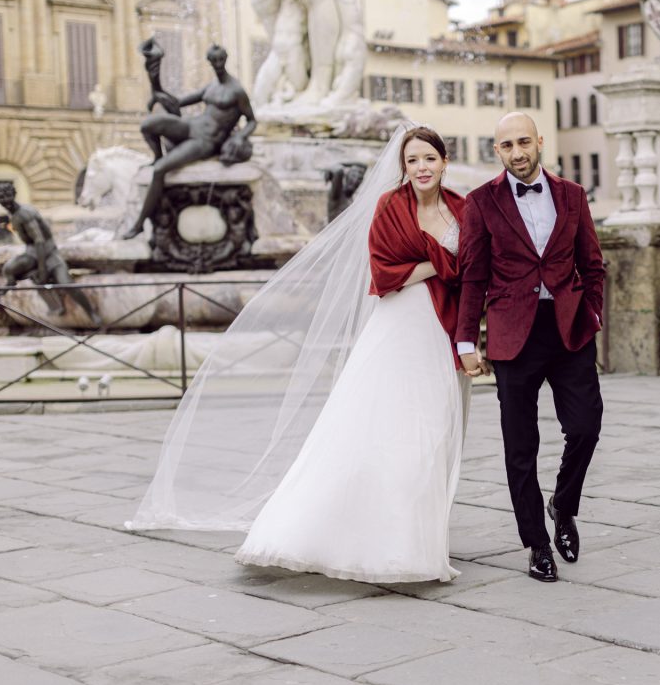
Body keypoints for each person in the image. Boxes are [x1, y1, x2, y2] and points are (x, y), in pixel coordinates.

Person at [129, 125, 475, 584]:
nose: (422, 168)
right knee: (384, 427)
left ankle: (416, 531)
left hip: (443, 329)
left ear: (444, 161)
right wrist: (442, 265)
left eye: (429, 158)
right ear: (403, 166)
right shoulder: (390, 206)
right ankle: (350, 534)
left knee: (434, 431)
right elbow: (386, 272)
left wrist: (462, 316)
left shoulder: (462, 208)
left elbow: (476, 270)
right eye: (412, 160)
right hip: (400, 326)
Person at [456, 112, 605, 583]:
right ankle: (537, 543)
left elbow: (593, 264)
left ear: (540, 142)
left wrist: (594, 314)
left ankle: (563, 503)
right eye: (506, 146)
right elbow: (473, 276)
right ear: (495, 151)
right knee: (520, 444)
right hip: (511, 333)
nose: (517, 153)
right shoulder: (480, 203)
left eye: (524, 142)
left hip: (568, 328)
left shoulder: (572, 195)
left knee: (585, 426)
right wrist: (466, 340)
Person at [122, 44, 256, 240]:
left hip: (207, 140)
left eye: (221, 60)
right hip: (192, 126)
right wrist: (155, 81)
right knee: (148, 125)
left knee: (160, 170)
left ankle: (140, 223)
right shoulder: (211, 86)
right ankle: (157, 155)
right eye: (214, 60)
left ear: (226, 60)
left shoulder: (236, 90)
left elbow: (252, 120)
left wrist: (239, 136)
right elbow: (176, 103)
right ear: (209, 62)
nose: (218, 64)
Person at [0, 181, 102, 327]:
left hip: (48, 253)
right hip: (33, 254)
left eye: (7, 195)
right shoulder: (13, 214)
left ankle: (91, 312)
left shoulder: (24, 214)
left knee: (66, 284)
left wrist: (42, 268)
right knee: (9, 269)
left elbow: (40, 241)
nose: (4, 200)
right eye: (1, 198)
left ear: (13, 194)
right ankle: (43, 297)